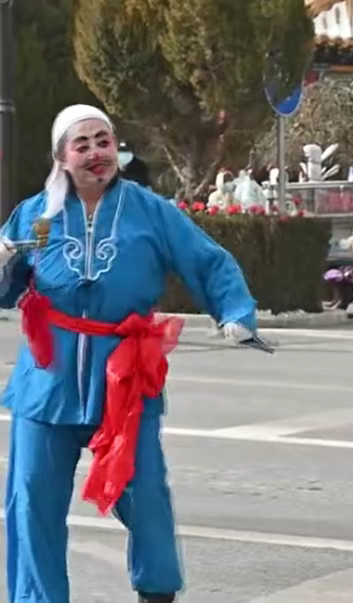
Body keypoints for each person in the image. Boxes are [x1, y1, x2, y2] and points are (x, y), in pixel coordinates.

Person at [0, 105, 259, 602]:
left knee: (145, 494)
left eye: (104, 141)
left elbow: (206, 259)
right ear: (61, 157)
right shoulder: (37, 214)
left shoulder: (150, 210)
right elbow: (10, 289)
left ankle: (156, 590)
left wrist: (234, 312)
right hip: (47, 377)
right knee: (31, 497)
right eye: (83, 145)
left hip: (124, 375)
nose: (97, 154)